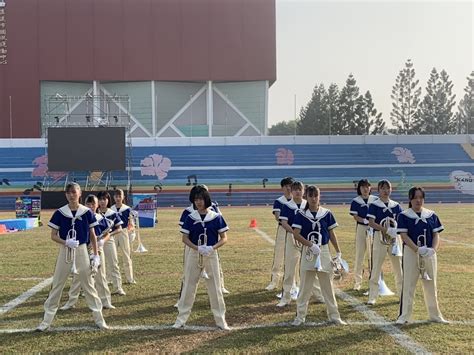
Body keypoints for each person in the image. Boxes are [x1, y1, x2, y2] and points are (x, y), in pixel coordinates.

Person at [36, 182, 107, 331]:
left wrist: (95, 255)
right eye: (68, 193)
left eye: (74, 192)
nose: (71, 195)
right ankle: (46, 321)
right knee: (57, 285)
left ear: (79, 193)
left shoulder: (87, 212)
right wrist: (65, 242)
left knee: (88, 286)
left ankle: (99, 319)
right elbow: (53, 236)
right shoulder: (60, 212)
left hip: (81, 250)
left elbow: (93, 235)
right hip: (66, 251)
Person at [173, 188, 230, 330]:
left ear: (206, 199)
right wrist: (197, 248)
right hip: (194, 253)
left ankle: (220, 320)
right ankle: (181, 319)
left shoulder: (216, 217)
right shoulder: (190, 217)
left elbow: (224, 238)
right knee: (188, 286)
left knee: (215, 287)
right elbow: (184, 238)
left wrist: (212, 248)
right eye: (196, 199)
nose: (198, 202)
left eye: (201, 199)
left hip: (211, 254)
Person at [291, 185, 346, 326]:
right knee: (305, 287)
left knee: (327, 286)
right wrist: (310, 245)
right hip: (308, 251)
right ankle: (300, 317)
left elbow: (332, 234)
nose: (314, 199)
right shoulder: (300, 214)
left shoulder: (326, 213)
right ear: (306, 198)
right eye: (311, 196)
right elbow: (296, 234)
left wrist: (338, 251)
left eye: (316, 195)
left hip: (324, 251)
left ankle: (334, 316)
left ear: (319, 196)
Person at [396, 187, 449, 324]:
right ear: (410, 199)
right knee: (408, 285)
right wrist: (417, 249)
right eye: (415, 197)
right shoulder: (404, 215)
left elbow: (436, 235)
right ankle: (404, 316)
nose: (418, 200)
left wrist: (433, 250)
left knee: (431, 285)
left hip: (429, 254)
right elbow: (404, 235)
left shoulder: (431, 214)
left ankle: (435, 315)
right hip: (411, 253)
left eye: (421, 197)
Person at [60, 193, 121, 310]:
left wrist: (102, 241)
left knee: (100, 276)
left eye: (93, 204)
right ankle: (71, 301)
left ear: (97, 205)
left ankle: (106, 301)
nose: (91, 206)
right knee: (78, 277)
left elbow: (107, 233)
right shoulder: (81, 216)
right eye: (88, 203)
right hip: (82, 250)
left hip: (97, 250)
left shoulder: (100, 218)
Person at [277, 181, 323, 307]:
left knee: (311, 267)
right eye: (295, 189)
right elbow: (284, 222)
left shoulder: (307, 205)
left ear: (304, 191)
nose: (297, 192)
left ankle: (318, 294)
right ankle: (286, 297)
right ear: (291, 191)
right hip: (292, 238)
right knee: (290, 269)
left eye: (300, 189)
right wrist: (294, 233)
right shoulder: (287, 206)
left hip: (307, 240)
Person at [366, 179, 403, 305]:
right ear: (378, 190)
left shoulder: (396, 205)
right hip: (379, 238)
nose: (386, 191)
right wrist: (386, 230)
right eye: (383, 188)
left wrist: (395, 231)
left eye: (388, 188)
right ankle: (372, 296)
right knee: (376, 267)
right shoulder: (374, 205)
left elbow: (402, 222)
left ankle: (402, 295)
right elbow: (371, 223)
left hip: (394, 240)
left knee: (399, 268)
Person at [265, 177, 294, 291]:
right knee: (278, 256)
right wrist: (288, 225)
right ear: (282, 188)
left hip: (296, 231)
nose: (288, 188)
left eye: (290, 185)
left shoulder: (297, 201)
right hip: (283, 230)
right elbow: (278, 217)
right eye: (286, 185)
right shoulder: (279, 201)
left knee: (294, 257)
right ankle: (274, 282)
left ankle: (293, 283)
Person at [349, 179, 378, 291]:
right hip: (362, 228)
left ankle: (374, 281)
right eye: (362, 187)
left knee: (374, 255)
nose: (365, 189)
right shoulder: (356, 201)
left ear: (370, 188)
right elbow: (355, 216)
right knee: (360, 255)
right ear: (359, 189)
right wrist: (364, 220)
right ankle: (357, 282)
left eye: (367, 186)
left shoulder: (375, 199)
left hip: (374, 228)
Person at [111, 189, 135, 285]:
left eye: (119, 196)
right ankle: (110, 278)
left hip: (124, 232)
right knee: (112, 256)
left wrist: (132, 232)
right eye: (116, 196)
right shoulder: (111, 209)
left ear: (123, 197)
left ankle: (130, 278)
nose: (118, 198)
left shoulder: (127, 209)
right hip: (113, 233)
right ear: (113, 197)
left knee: (126, 255)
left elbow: (131, 223)